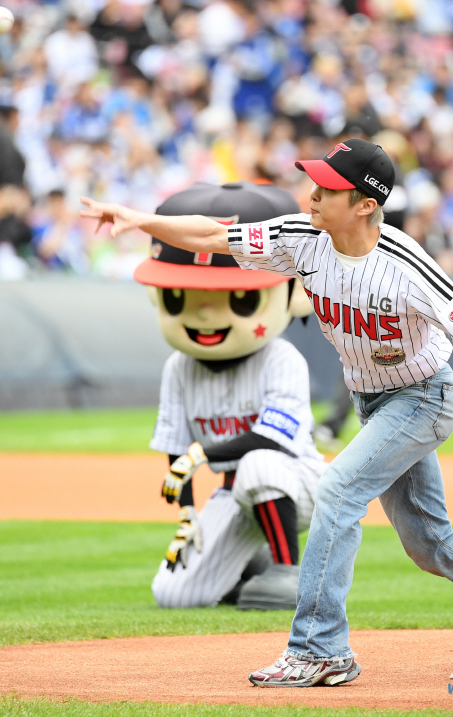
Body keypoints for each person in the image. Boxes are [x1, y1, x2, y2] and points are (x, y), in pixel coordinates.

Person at [81, 138, 453, 688]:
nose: (312, 194)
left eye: (328, 188)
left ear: (365, 203)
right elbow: (215, 235)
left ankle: (319, 649)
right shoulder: (302, 238)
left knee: (338, 490)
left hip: (423, 398)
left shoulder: (405, 263)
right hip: (375, 402)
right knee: (432, 545)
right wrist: (138, 218)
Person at [137, 182, 325, 610]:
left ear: (294, 294)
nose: (205, 313)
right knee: (172, 594)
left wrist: (202, 453)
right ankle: (249, 567)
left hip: (301, 485)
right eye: (180, 295)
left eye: (239, 297)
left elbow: (273, 440)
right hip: (235, 494)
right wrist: (187, 513)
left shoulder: (282, 358)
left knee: (259, 466)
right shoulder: (179, 368)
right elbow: (173, 449)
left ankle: (287, 571)